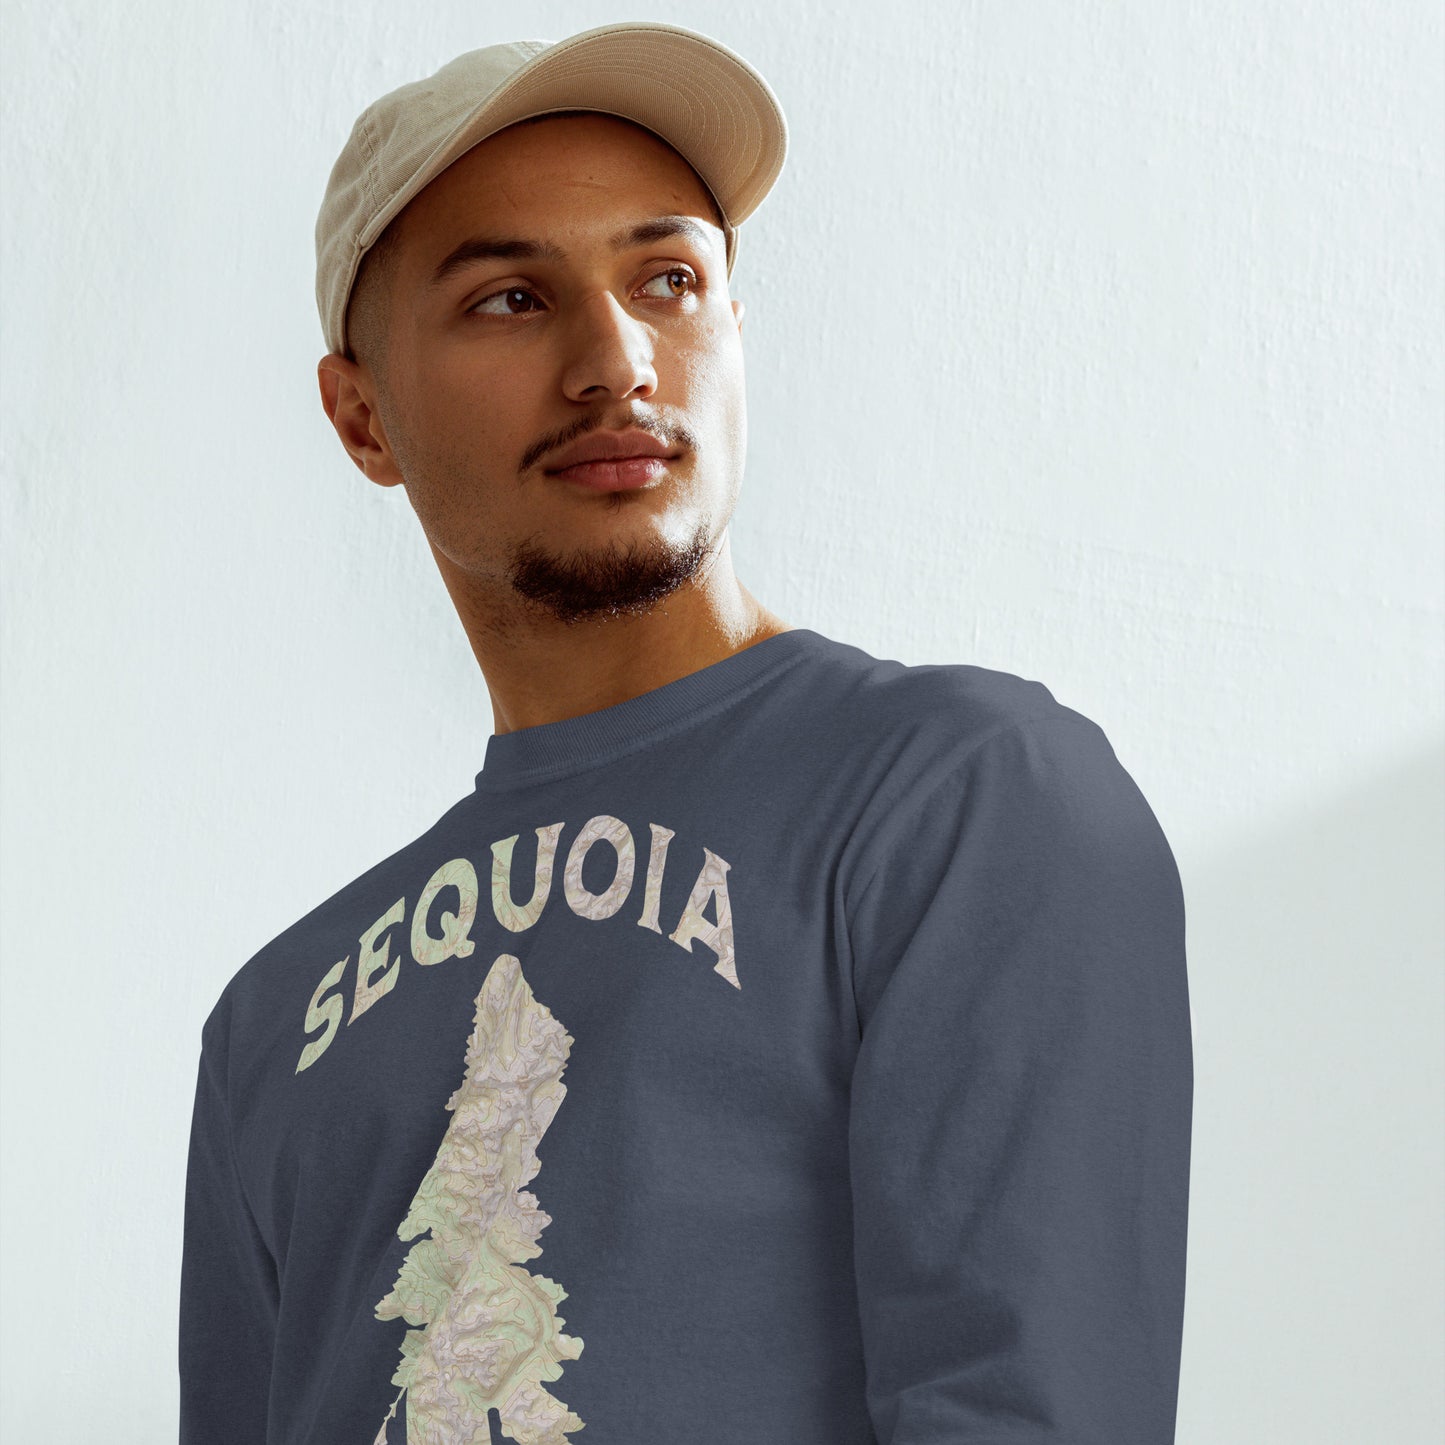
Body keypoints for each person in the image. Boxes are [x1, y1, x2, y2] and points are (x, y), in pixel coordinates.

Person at [178, 21, 1194, 1445]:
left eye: (667, 280)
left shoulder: (959, 795)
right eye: (508, 300)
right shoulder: (272, 1022)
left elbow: (1030, 1409)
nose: (614, 359)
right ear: (362, 416)